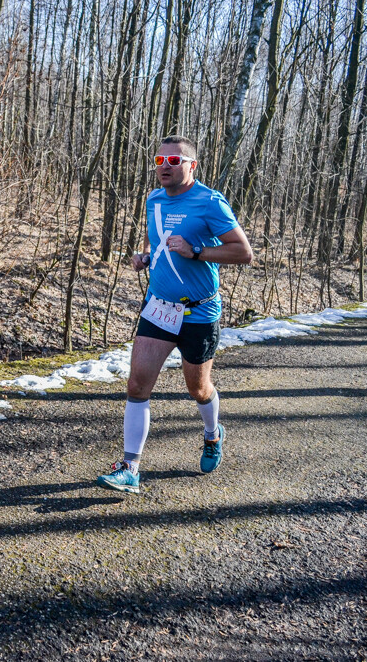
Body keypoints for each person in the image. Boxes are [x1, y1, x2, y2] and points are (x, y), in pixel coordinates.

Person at [97, 135, 252, 494]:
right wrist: (146, 257)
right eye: (159, 160)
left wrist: (197, 251)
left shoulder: (210, 202)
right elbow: (159, 238)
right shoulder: (153, 199)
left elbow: (243, 253)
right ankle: (130, 467)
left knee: (197, 388)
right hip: (159, 308)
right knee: (137, 384)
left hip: (198, 312)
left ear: (191, 166)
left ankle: (213, 434)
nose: (164, 166)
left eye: (174, 161)